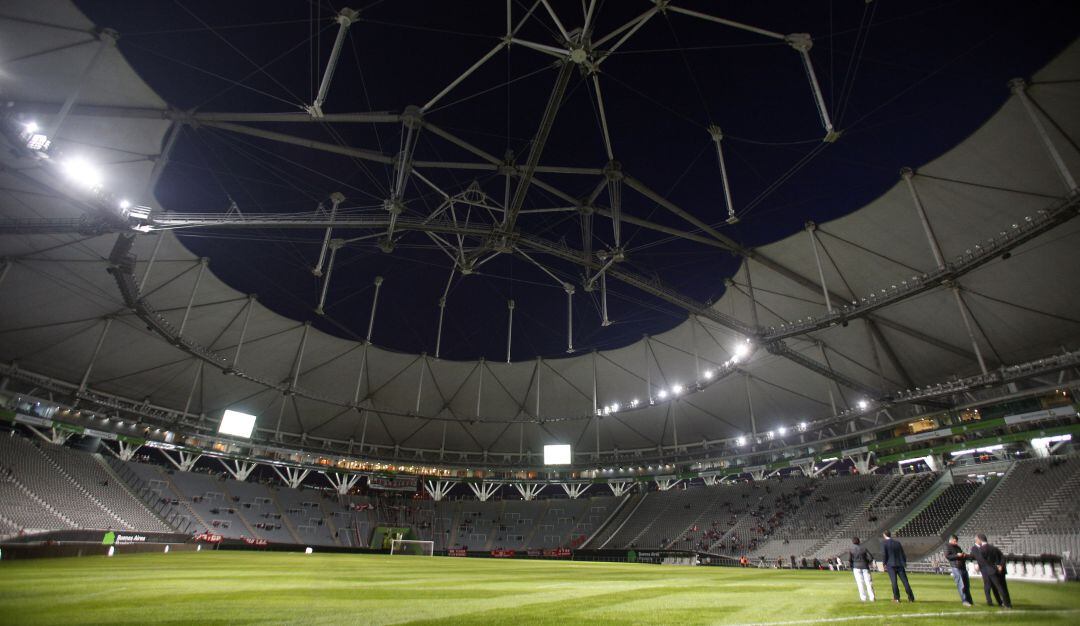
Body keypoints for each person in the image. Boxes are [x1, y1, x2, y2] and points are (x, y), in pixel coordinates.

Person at [972, 534, 1012, 609]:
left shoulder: (981, 550)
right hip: (1001, 571)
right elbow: (1003, 557)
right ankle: (1008, 603)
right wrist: (1000, 566)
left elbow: (983, 562)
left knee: (998, 587)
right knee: (1003, 587)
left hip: (991, 571)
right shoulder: (994, 548)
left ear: (980, 540)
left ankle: (1004, 604)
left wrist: (995, 567)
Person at [881, 530, 915, 603]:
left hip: (891, 565)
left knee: (894, 582)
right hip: (900, 564)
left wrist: (884, 564)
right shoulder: (897, 543)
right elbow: (902, 553)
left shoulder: (884, 543)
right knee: (905, 581)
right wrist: (904, 562)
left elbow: (884, 555)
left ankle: (896, 598)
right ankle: (911, 598)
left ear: (884, 535)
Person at [944, 535, 973, 606]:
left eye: (956, 541)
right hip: (956, 567)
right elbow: (948, 556)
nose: (956, 542)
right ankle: (965, 601)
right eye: (955, 541)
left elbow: (961, 555)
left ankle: (970, 601)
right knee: (961, 584)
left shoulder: (958, 547)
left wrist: (965, 555)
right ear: (951, 540)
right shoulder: (947, 546)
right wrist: (957, 555)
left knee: (967, 585)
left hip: (963, 567)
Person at [848, 537, 876, 602]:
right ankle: (872, 597)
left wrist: (852, 567)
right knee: (868, 582)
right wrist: (868, 562)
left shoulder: (851, 549)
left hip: (856, 567)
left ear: (853, 542)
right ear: (859, 541)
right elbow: (871, 557)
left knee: (860, 583)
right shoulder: (864, 548)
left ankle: (863, 598)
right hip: (865, 566)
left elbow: (850, 560)